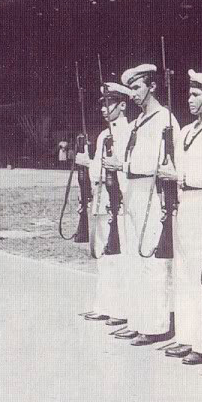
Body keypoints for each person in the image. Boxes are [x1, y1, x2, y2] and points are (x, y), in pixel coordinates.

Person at [103, 64, 180, 346]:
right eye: (131, 88)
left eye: (137, 87)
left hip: (151, 190)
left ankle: (155, 324)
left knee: (150, 260)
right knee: (134, 259)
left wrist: (122, 164)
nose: (133, 94)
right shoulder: (137, 122)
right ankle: (137, 320)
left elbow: (160, 161)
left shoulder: (165, 119)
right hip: (133, 191)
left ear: (153, 87)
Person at [157, 70, 202, 365]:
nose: (190, 99)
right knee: (182, 273)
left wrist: (179, 175)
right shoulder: (185, 131)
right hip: (183, 206)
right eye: (190, 94)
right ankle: (187, 336)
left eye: (197, 95)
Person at [76, 82, 131, 325]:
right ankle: (104, 305)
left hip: (117, 197)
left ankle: (120, 308)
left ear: (122, 104)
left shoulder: (128, 132)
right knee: (102, 253)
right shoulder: (102, 135)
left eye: (109, 103)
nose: (104, 108)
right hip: (100, 196)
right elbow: (97, 170)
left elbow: (121, 167)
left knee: (117, 252)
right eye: (102, 104)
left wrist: (89, 164)